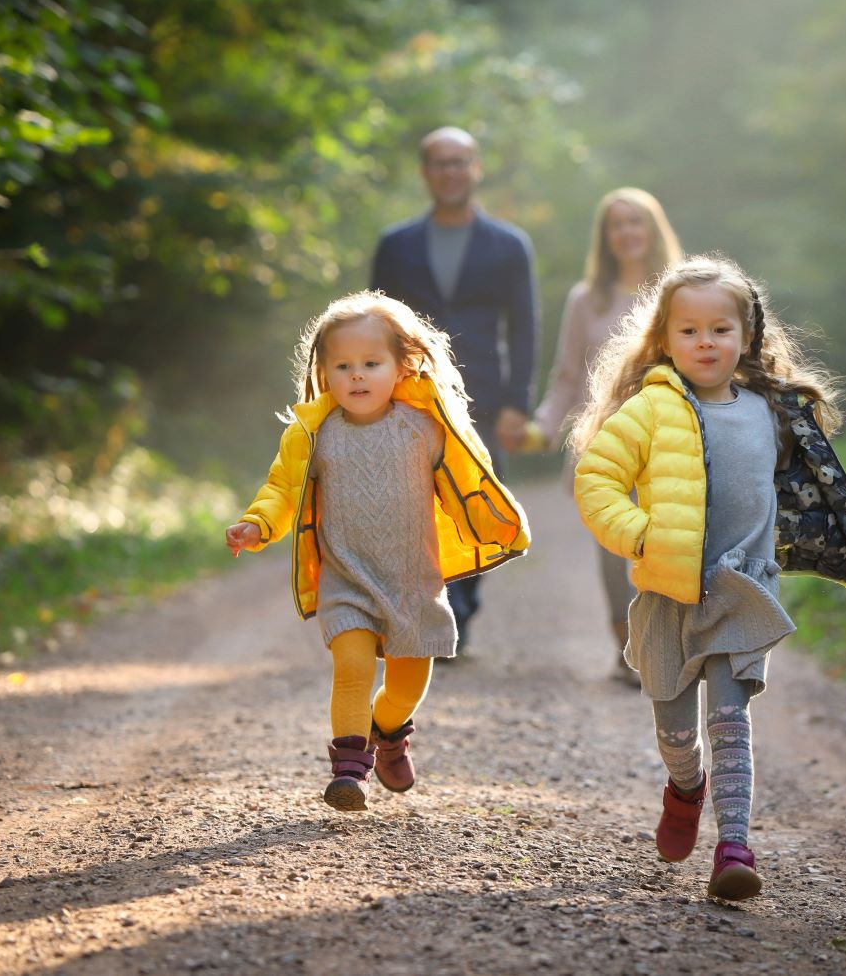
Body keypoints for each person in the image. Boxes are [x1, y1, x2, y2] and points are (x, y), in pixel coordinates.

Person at [570, 254, 846, 900]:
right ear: (664, 339)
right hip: (669, 591)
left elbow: (806, 489)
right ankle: (685, 786)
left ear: (747, 337)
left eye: (720, 329)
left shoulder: (772, 412)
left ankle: (734, 846)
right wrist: (638, 534)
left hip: (742, 587)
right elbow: (597, 479)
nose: (705, 342)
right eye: (688, 330)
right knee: (677, 733)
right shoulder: (650, 411)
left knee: (730, 718)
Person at [223, 291, 530, 811]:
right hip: (347, 582)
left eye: (371, 363)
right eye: (343, 366)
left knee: (406, 688)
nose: (357, 376)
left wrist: (493, 523)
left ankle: (388, 733)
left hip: (413, 584)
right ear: (323, 371)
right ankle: (349, 771)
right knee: (352, 667)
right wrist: (256, 524)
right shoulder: (313, 436)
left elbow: (463, 481)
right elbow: (283, 490)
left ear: (400, 366)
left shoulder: (425, 427)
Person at [371, 125, 539, 654]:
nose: (450, 172)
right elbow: (372, 321)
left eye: (459, 162)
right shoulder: (396, 246)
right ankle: (424, 616)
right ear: (425, 173)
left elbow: (526, 326)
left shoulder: (510, 245)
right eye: (440, 163)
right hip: (409, 396)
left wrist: (518, 404)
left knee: (477, 506)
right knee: (411, 509)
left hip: (484, 401)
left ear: (476, 169)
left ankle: (460, 615)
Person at [531, 188, 684, 685]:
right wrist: (543, 427)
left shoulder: (678, 294)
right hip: (603, 444)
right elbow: (566, 376)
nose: (626, 233)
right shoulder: (585, 299)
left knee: (665, 545)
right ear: (605, 237)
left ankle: (665, 643)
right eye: (616, 225)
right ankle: (628, 648)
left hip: (668, 441)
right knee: (614, 549)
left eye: (635, 222)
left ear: (652, 229)